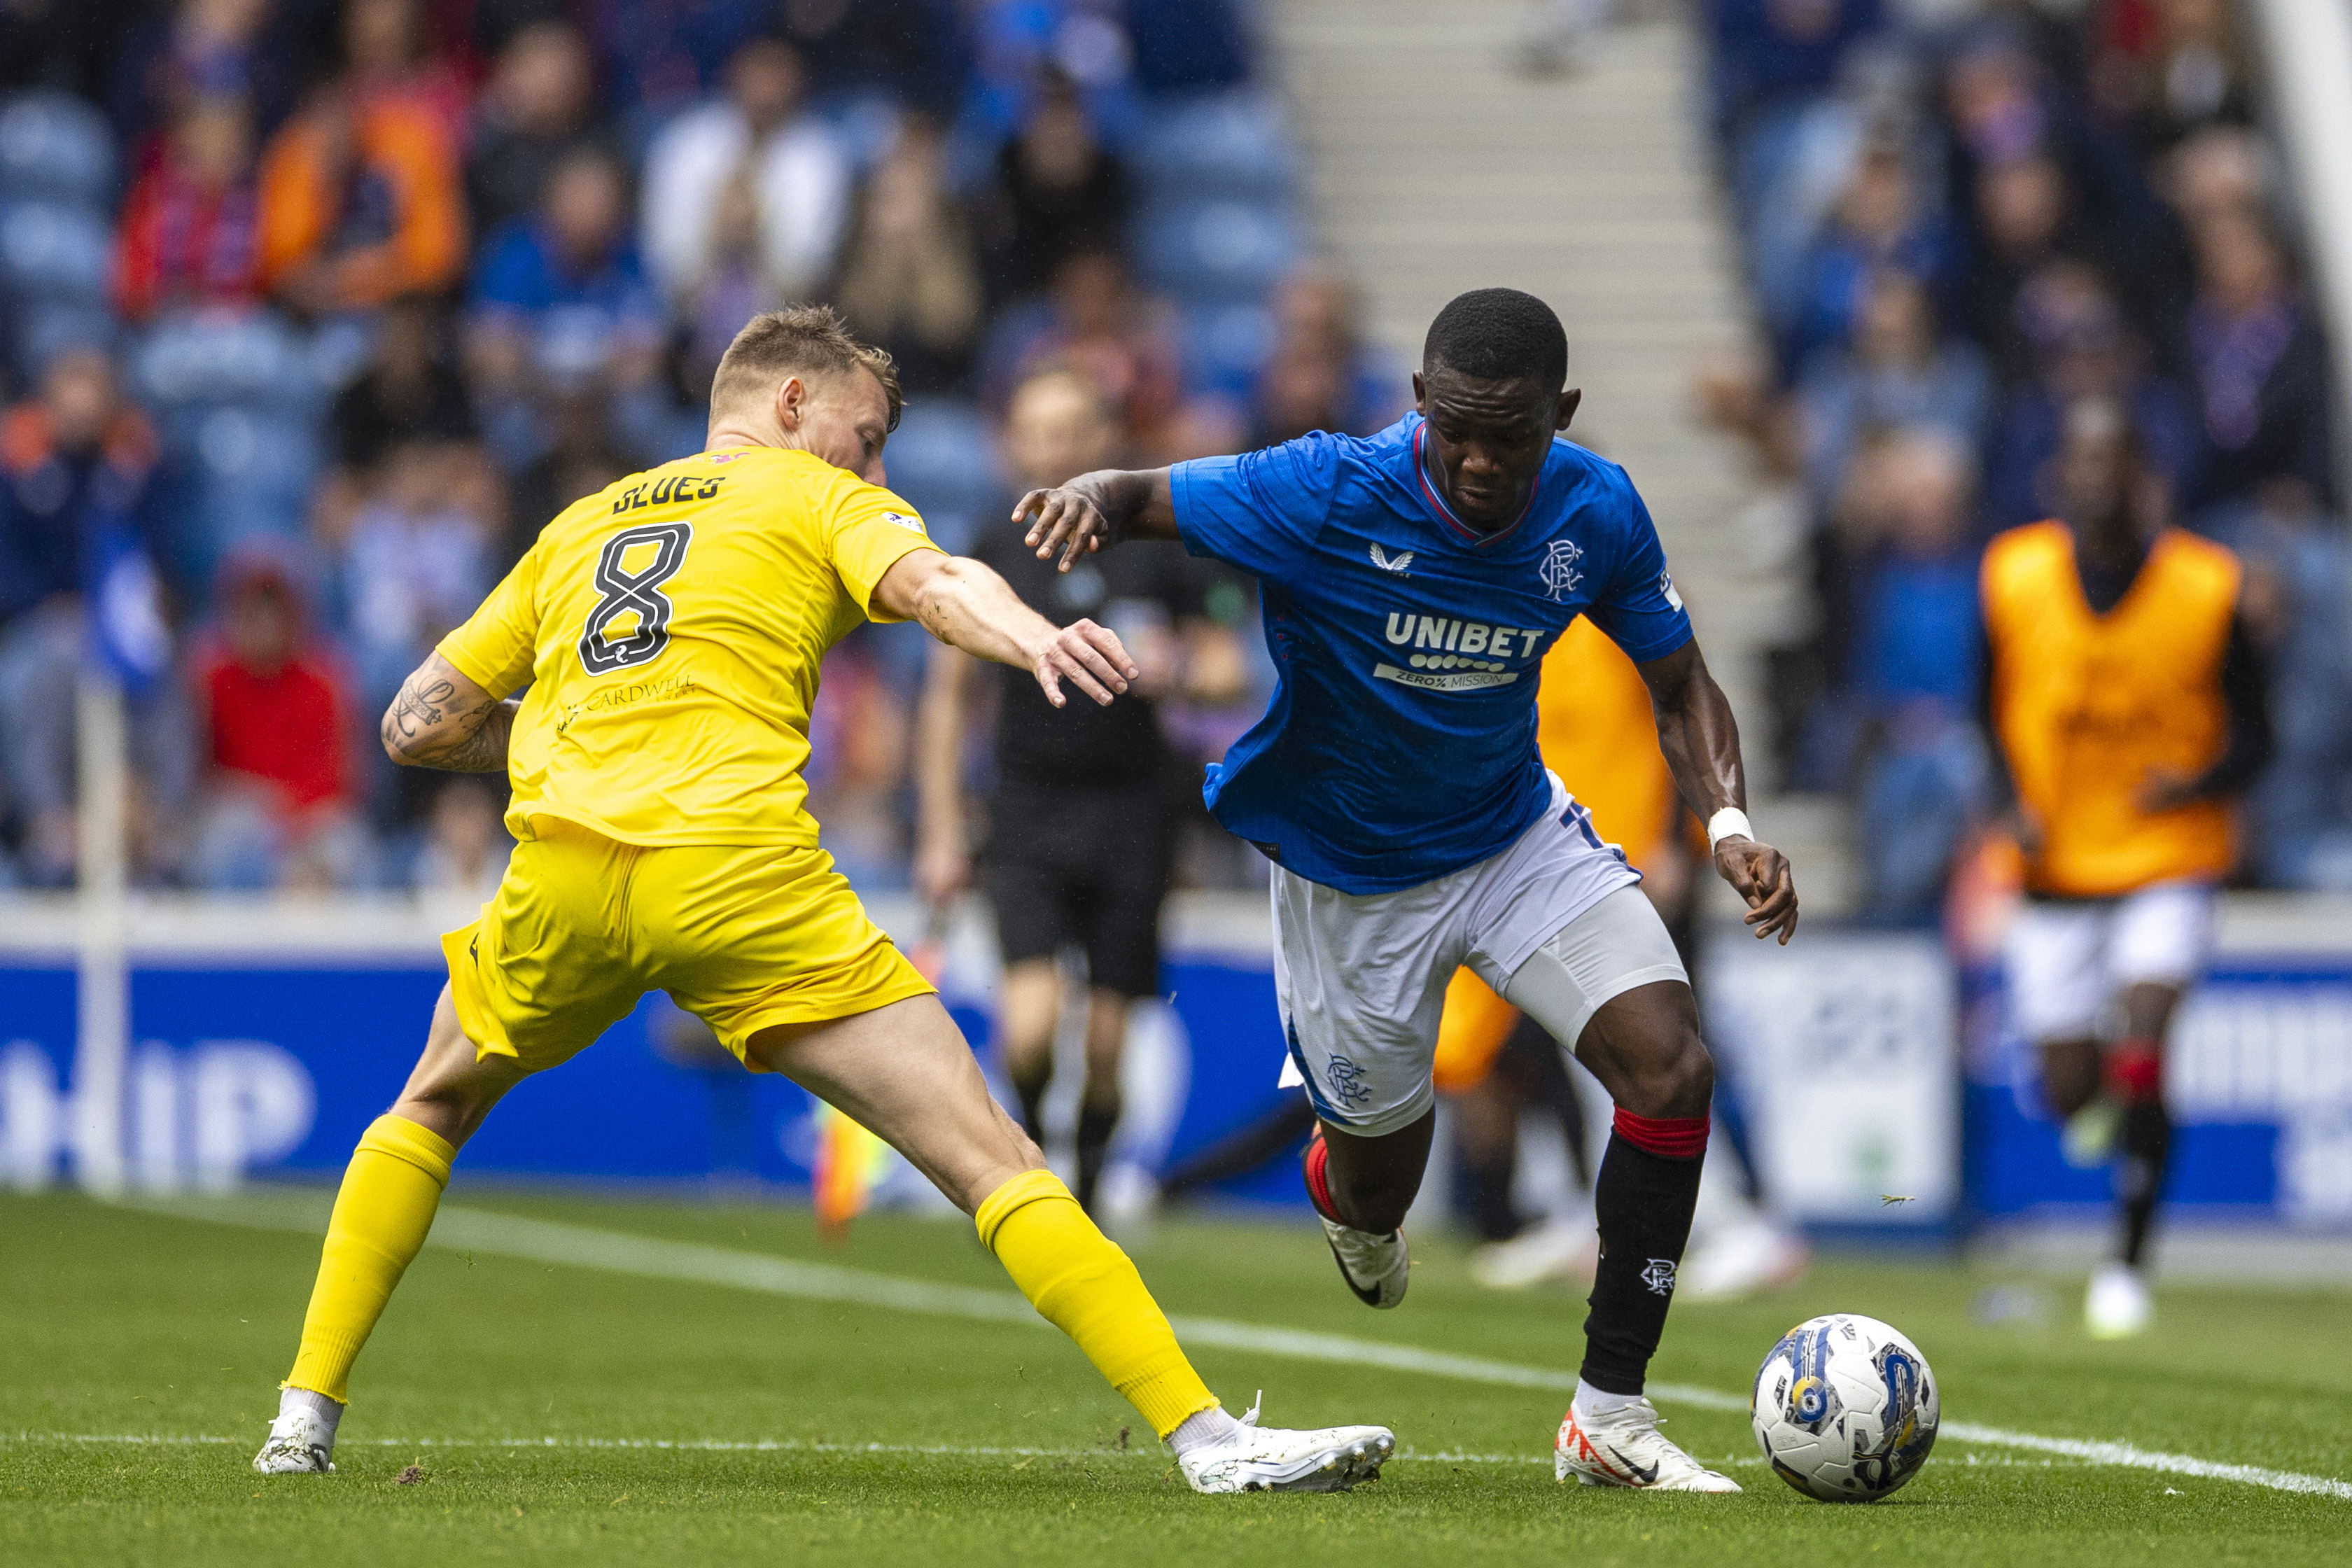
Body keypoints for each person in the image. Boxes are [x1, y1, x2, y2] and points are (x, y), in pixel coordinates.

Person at [252, 305, 1393, 1494]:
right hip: (737, 878)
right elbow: (941, 581)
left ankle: (301, 1420)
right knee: (989, 1155)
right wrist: (1036, 640)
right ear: (792, 406)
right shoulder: (814, 494)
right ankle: (1207, 1440)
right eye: (866, 434)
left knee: (430, 1104)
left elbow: (414, 723)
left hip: (565, 878)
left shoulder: (580, 525)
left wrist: (571, 733)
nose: (877, 466)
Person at [1016, 287, 1800, 1492]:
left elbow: (1681, 680)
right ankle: (1349, 1192)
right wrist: (1086, 500)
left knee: (1669, 1062)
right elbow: (1141, 496)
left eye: (1514, 435)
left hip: (1509, 836)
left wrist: (1731, 821)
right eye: (1459, 431)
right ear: (1420, 404)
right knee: (1385, 1181)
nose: (1483, 462)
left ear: (1563, 414)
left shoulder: (1596, 508)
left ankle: (1610, 1417)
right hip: (1353, 877)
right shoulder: (1326, 488)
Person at [913, 366, 1247, 1214]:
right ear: (1012, 443)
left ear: (1105, 438)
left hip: (1135, 812)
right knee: (1027, 1030)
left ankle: (1088, 1193)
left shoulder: (1154, 544)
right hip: (1027, 811)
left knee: (1105, 1045)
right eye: (1038, 431)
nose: (1055, 448)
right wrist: (943, 832)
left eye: (1072, 429)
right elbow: (949, 700)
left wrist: (1183, 673)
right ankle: (1032, 1150)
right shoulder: (990, 544)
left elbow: (1227, 666)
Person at [1980, 396, 2269, 1339]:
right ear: (2060, 474)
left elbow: (2259, 736)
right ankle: (2114, 1109)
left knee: (2145, 1044)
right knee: (2072, 1095)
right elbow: (1986, 704)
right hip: (2055, 862)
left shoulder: (2208, 586)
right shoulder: (2014, 574)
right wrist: (2005, 796)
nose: (2097, 480)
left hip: (2166, 856)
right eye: (2082, 461)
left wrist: (2197, 786)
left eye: (2114, 461)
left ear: (2143, 475)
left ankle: (2127, 1264)